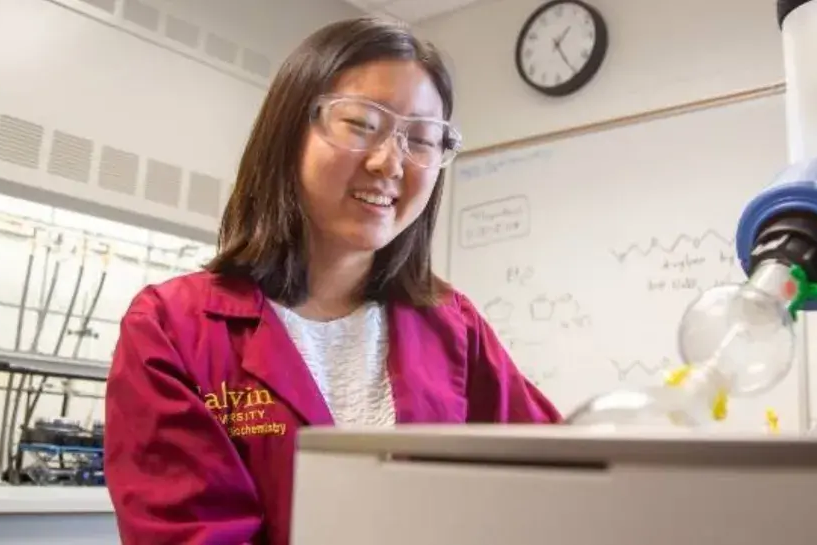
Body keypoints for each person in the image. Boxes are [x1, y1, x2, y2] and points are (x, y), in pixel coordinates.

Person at [103, 16, 562, 545]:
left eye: (421, 138)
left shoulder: (453, 326)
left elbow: (554, 483)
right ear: (288, 131)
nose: (390, 162)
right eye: (362, 123)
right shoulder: (173, 327)